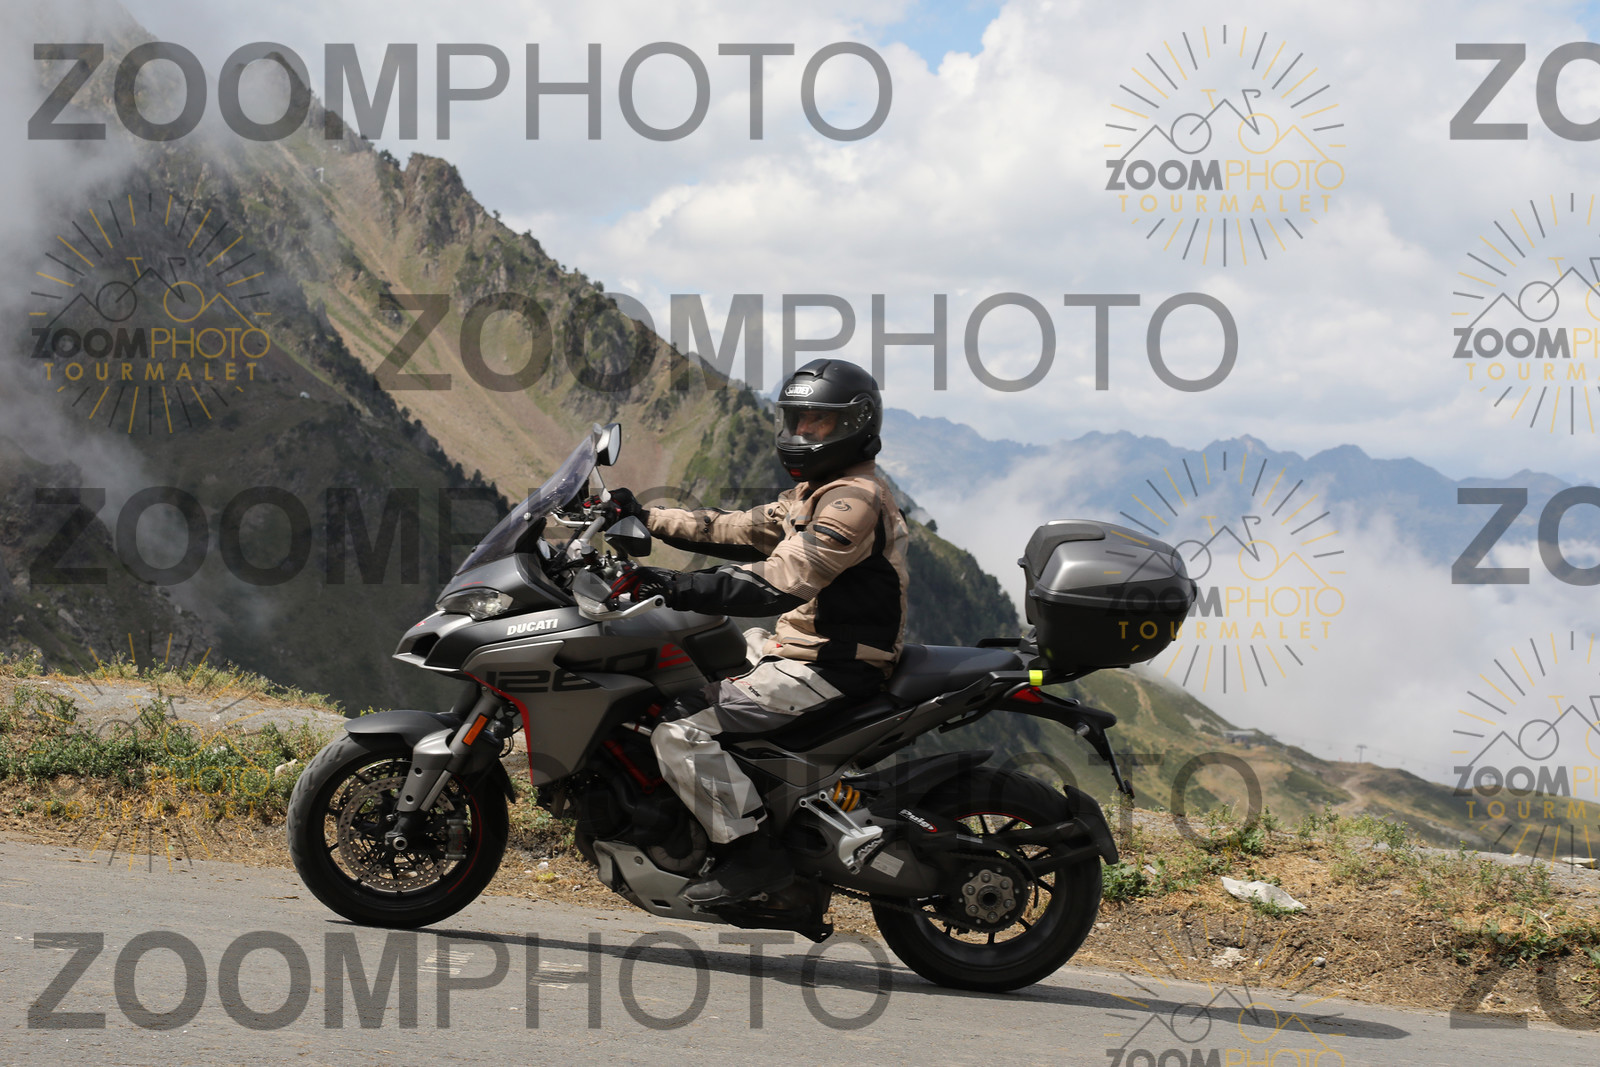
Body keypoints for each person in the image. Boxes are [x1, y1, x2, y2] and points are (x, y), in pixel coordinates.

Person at [601, 358, 910, 906]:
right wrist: (643, 517)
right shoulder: (815, 492)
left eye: (817, 421)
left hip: (831, 664)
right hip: (794, 649)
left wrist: (671, 585)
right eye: (796, 419)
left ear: (855, 423)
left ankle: (752, 854)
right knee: (676, 673)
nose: (801, 432)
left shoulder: (853, 500)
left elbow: (780, 583)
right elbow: (734, 528)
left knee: (680, 727)